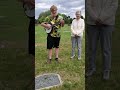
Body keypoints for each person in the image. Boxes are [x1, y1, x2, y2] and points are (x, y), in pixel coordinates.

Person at [86, 0, 118, 80]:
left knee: (106, 49)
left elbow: (113, 7)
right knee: (92, 48)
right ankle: (91, 68)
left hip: (107, 23)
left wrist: (102, 18)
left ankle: (106, 70)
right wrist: (95, 18)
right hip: (92, 23)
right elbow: (88, 5)